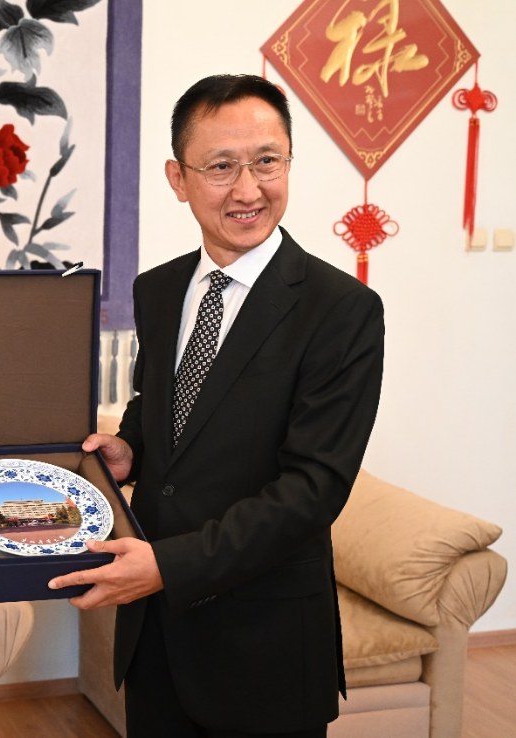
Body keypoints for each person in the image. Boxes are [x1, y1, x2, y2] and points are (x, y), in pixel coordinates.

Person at [50, 75, 384, 736]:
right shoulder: (159, 289)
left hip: (265, 645)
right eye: (222, 166)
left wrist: (167, 567)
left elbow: (312, 491)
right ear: (178, 178)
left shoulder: (341, 310)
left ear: (289, 163)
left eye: (267, 161)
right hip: (156, 639)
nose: (248, 189)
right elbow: (163, 407)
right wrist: (131, 449)